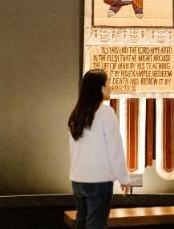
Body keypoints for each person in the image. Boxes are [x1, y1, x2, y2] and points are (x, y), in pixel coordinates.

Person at [68, 69, 131, 229]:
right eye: (107, 83)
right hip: (99, 181)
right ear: (100, 88)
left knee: (81, 223)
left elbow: (74, 151)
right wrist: (124, 178)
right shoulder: (105, 113)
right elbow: (115, 149)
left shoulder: (77, 114)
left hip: (78, 180)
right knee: (96, 225)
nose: (110, 87)